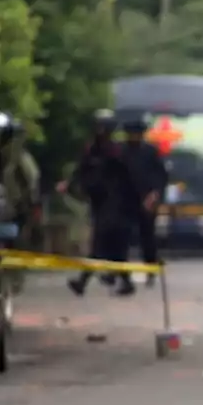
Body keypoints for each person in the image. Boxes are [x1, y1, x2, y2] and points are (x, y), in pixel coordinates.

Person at [61, 110, 140, 296]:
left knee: (100, 246)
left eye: (103, 126)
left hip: (114, 204)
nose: (100, 130)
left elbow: (130, 178)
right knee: (114, 250)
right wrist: (70, 183)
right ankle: (125, 282)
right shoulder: (91, 150)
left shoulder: (116, 152)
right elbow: (81, 169)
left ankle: (82, 282)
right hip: (98, 203)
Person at [119, 116, 168, 286]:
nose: (134, 137)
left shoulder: (150, 151)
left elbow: (160, 176)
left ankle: (150, 271)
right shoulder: (121, 151)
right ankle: (121, 274)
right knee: (122, 239)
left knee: (147, 238)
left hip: (146, 200)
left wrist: (154, 195)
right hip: (125, 200)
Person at [0, 114, 40, 293]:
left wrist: (31, 207)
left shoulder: (18, 157)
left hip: (14, 211)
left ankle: (12, 282)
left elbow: (32, 183)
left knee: (17, 246)